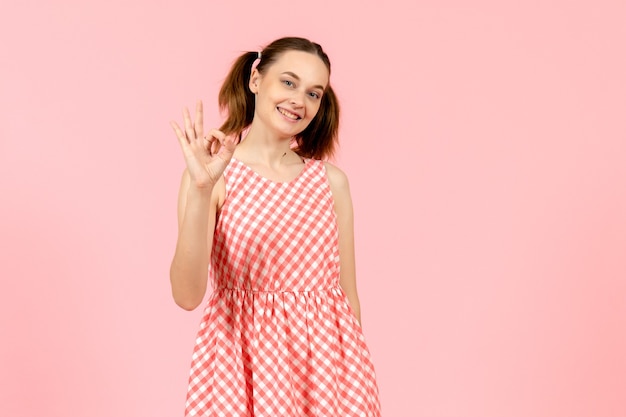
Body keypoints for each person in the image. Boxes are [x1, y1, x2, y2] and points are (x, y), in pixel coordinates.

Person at [169, 36, 381, 417]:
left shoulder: (331, 182)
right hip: (242, 367)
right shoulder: (213, 176)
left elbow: (348, 300)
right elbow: (187, 296)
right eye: (288, 82)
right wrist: (202, 189)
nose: (300, 100)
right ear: (255, 79)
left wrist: (356, 388)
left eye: (314, 93)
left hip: (325, 375)